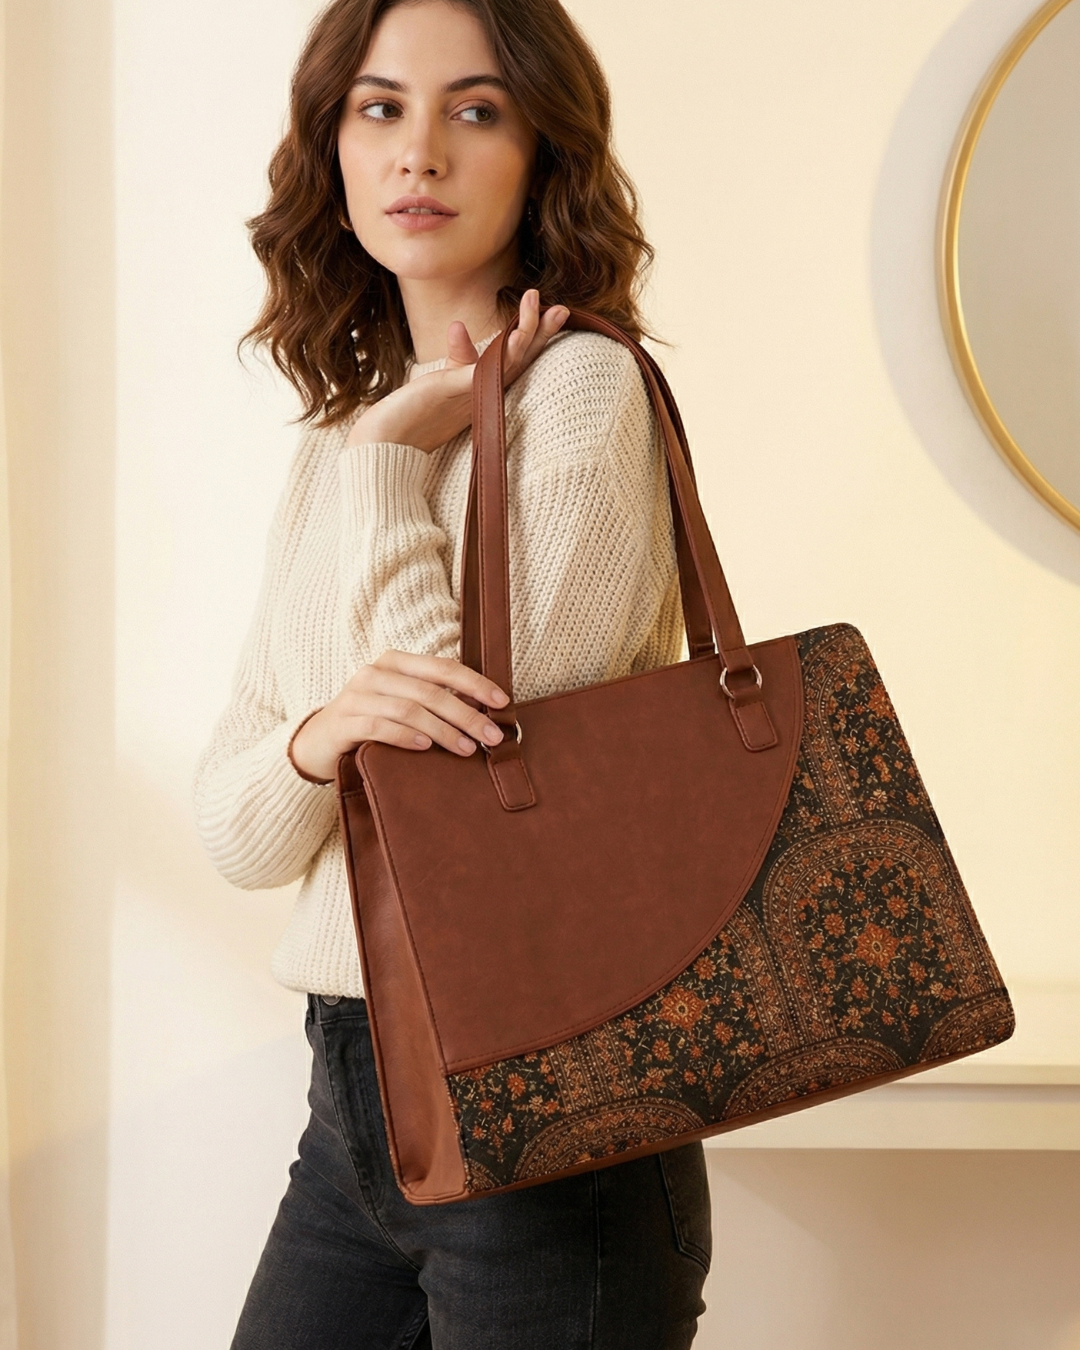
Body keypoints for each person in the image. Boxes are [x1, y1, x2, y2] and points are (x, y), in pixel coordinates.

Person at [194, 0, 712, 1344]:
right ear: (336, 152)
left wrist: (393, 471)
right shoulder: (344, 438)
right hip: (350, 1104)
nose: (419, 150)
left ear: (540, 154)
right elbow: (237, 826)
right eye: (381, 108)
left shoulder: (581, 396)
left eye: (473, 109)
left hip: (546, 1117)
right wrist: (320, 738)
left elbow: (474, 768)